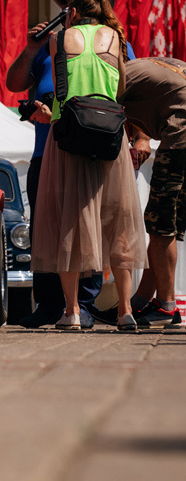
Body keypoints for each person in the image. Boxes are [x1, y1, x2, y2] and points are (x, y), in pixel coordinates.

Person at [5, 0, 140, 329]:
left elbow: (128, 93)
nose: (66, 7)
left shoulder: (60, 42)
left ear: (77, 10)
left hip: (62, 138)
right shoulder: (110, 39)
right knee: (76, 224)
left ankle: (79, 306)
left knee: (69, 223)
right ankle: (56, 305)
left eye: (72, 1)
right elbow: (14, 83)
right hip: (82, 141)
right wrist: (32, 46)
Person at [107, 57, 186, 329]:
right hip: (180, 138)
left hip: (180, 142)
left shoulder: (117, 73)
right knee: (169, 227)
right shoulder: (154, 64)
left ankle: (166, 307)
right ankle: (143, 302)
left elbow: (96, 108)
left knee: (160, 225)